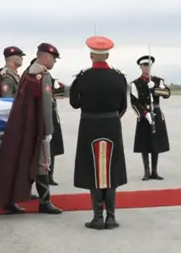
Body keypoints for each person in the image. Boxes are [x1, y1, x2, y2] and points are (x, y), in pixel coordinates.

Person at [0, 43, 63, 215]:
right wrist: (48, 130)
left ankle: (11, 200)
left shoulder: (27, 73)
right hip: (38, 128)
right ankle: (45, 202)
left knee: (21, 162)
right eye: (53, 59)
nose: (54, 62)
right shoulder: (42, 75)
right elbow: (45, 105)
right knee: (44, 164)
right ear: (45, 57)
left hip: (24, 126)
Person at [69, 36, 128, 230]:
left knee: (92, 169)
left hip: (89, 125)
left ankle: (97, 217)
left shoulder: (83, 77)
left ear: (91, 55)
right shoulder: (119, 77)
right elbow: (123, 106)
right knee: (111, 168)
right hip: (112, 124)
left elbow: (74, 103)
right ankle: (111, 217)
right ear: (108, 55)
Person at [0, 46, 38, 214]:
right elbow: (7, 101)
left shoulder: (11, 74)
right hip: (7, 122)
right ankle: (5, 195)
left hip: (7, 122)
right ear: (11, 57)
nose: (22, 59)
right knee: (7, 160)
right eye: (19, 56)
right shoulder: (7, 76)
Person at [130, 55, 170, 181]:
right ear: (140, 67)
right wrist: (144, 114)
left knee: (156, 143)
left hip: (156, 114)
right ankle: (146, 172)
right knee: (145, 143)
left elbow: (167, 94)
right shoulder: (135, 83)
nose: (147, 67)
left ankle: (154, 171)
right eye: (145, 65)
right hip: (143, 115)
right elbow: (134, 102)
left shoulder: (158, 81)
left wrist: (155, 89)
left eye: (149, 65)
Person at [28, 58, 66, 186]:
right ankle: (41, 178)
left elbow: (61, 92)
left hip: (52, 116)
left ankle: (50, 176)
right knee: (41, 151)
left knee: (52, 148)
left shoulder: (50, 80)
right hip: (42, 118)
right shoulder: (35, 79)